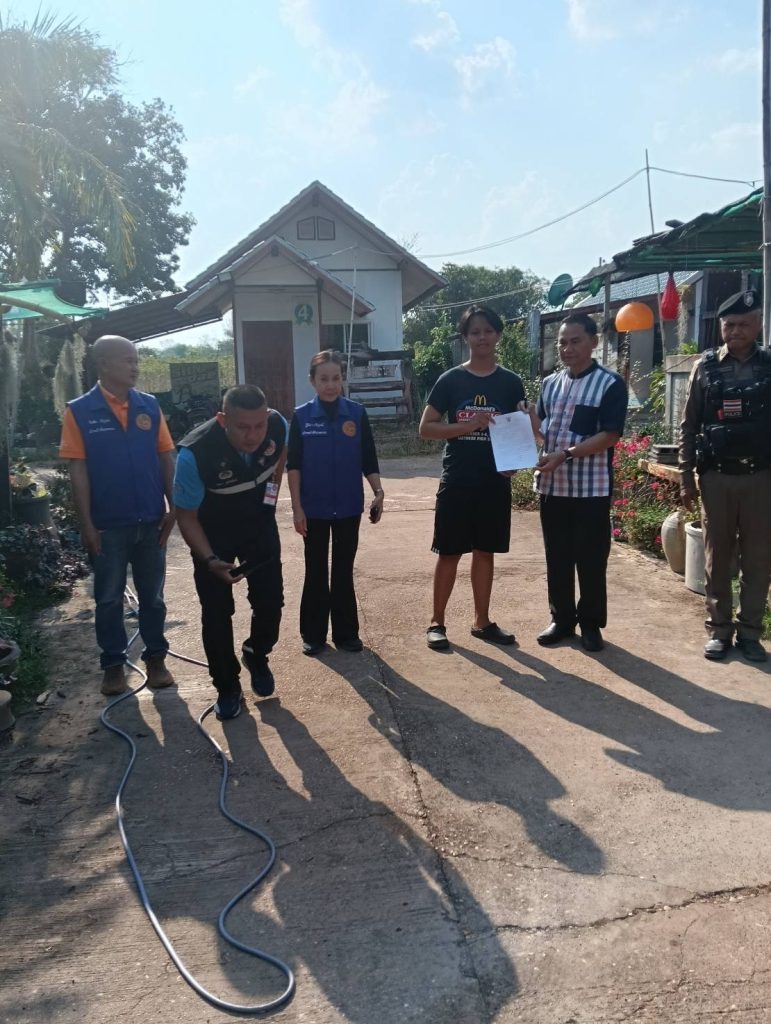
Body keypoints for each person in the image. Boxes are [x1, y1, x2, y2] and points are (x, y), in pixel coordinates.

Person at [59, 335, 176, 696]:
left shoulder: (149, 406)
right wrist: (87, 524)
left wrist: (173, 508)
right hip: (107, 525)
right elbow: (78, 471)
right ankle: (113, 666)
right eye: (127, 360)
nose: (135, 366)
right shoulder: (80, 411)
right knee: (109, 599)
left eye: (136, 359)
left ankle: (156, 659)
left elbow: (165, 456)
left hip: (150, 520)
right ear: (103, 364)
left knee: (152, 597)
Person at [174, 385, 287, 719]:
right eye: (242, 427)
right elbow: (186, 516)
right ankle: (227, 687)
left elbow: (279, 460)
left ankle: (256, 653)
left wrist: (270, 501)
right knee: (216, 613)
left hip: (258, 526)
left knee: (271, 602)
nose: (252, 436)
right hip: (213, 536)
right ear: (223, 420)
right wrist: (209, 560)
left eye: (258, 425)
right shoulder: (194, 454)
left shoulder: (278, 426)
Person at [419, 305, 524, 651]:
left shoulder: (510, 383)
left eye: (488, 331)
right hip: (458, 479)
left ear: (498, 335)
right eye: (475, 332)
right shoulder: (451, 380)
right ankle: (436, 622)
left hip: (494, 481)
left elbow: (518, 430)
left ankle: (482, 621)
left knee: (485, 551)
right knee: (449, 552)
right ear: (465, 337)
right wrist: (466, 426)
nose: (482, 337)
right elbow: (426, 428)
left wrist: (515, 463)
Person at [679, 289, 771, 662]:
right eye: (729, 325)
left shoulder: (769, 365)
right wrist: (686, 477)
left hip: (761, 477)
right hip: (716, 477)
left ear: (758, 324)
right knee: (717, 557)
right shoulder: (705, 367)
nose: (735, 331)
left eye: (743, 324)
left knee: (758, 558)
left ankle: (750, 632)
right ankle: (719, 630)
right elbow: (688, 426)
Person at [527, 312, 628, 652]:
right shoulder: (550, 384)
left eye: (575, 341)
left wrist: (566, 454)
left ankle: (590, 624)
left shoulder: (609, 384)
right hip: (553, 487)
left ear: (593, 342)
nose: (567, 349)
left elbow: (610, 434)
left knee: (591, 558)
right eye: (562, 343)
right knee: (557, 556)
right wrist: (526, 419)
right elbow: (542, 431)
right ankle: (561, 619)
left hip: (591, 488)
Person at [287, 350, 384, 656]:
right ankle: (313, 634)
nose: (330, 385)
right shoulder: (301, 416)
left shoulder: (356, 414)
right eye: (324, 379)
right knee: (315, 569)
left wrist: (378, 491)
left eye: (336, 378)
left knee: (343, 569)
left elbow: (368, 458)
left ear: (343, 379)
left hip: (348, 507)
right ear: (312, 381)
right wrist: (297, 508)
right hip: (313, 509)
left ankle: (346, 634)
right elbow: (294, 466)